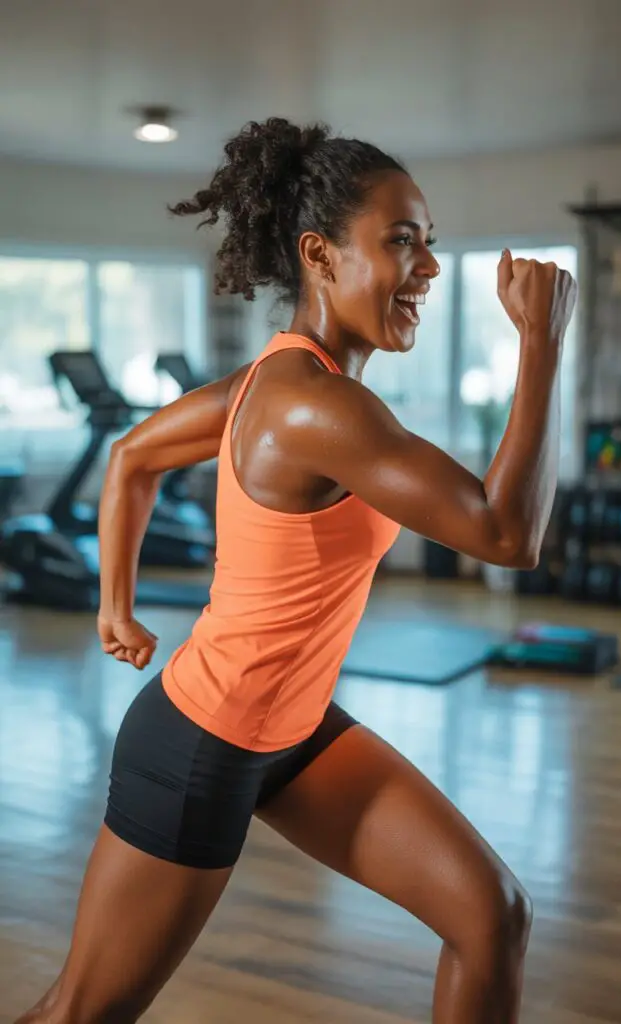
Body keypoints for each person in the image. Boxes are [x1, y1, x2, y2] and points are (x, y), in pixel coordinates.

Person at [16, 117, 576, 1024]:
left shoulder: (275, 381)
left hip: (295, 730)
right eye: (402, 241)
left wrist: (115, 610)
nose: (429, 267)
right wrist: (543, 344)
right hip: (203, 745)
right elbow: (508, 535)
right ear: (320, 253)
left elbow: (130, 457)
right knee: (81, 1013)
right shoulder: (317, 407)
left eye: (429, 243)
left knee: (490, 914)